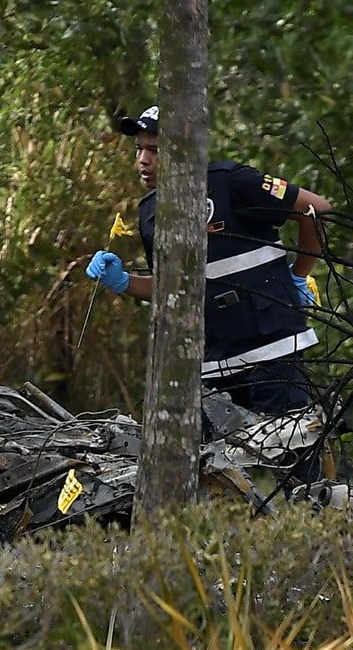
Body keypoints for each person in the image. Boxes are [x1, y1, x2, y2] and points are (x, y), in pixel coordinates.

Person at [86, 104, 332, 419]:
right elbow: (168, 289)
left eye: (154, 150)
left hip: (275, 353)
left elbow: (317, 210)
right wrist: (123, 282)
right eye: (139, 150)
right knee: (222, 466)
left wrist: (299, 275)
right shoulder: (150, 214)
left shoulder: (231, 182)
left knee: (294, 458)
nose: (143, 160)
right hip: (213, 369)